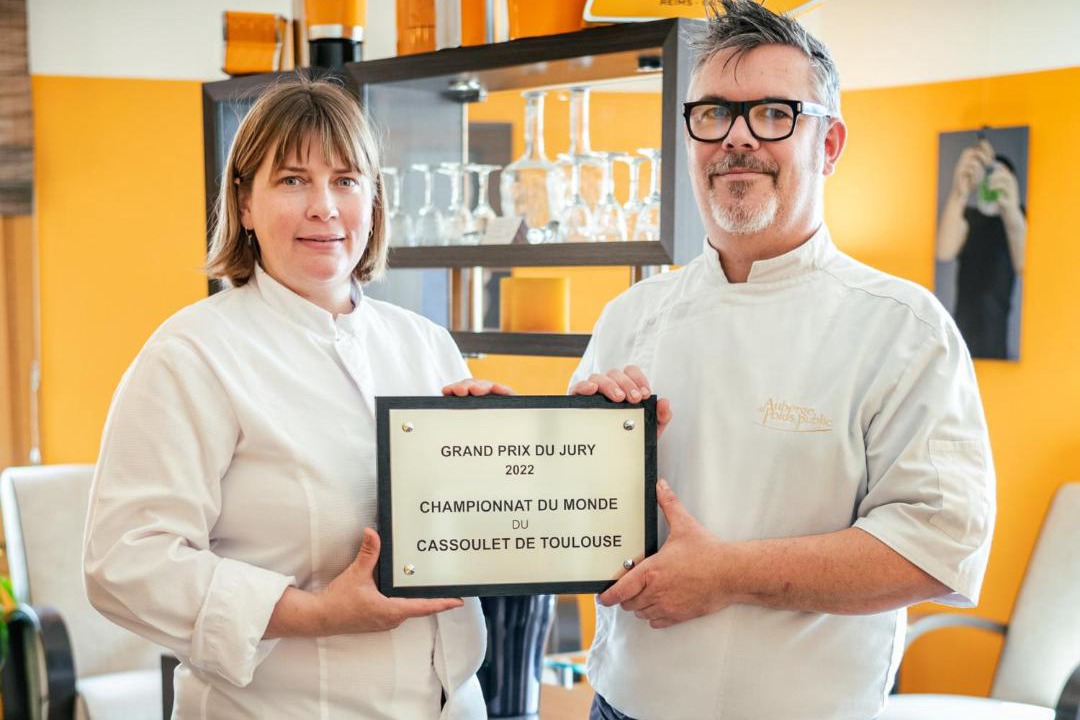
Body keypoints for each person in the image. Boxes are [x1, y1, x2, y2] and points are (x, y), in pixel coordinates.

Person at [570, 2, 995, 718]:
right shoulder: (629, 316)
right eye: (713, 114)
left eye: (773, 113)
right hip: (624, 705)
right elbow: (578, 527)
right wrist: (575, 451)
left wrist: (727, 574)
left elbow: (939, 543)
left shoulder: (903, 326)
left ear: (828, 144)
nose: (737, 138)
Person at [83, 77, 509, 719]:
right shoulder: (191, 354)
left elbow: (465, 531)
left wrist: (509, 452)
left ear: (373, 200)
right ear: (244, 205)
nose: (324, 207)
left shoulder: (425, 343)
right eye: (292, 180)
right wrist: (313, 613)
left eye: (346, 180)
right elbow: (125, 562)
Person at [936, 136, 1026, 359]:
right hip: (961, 331)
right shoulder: (970, 216)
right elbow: (944, 251)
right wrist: (960, 191)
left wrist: (1011, 211)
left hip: (995, 336)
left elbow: (1025, 265)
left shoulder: (1018, 221)